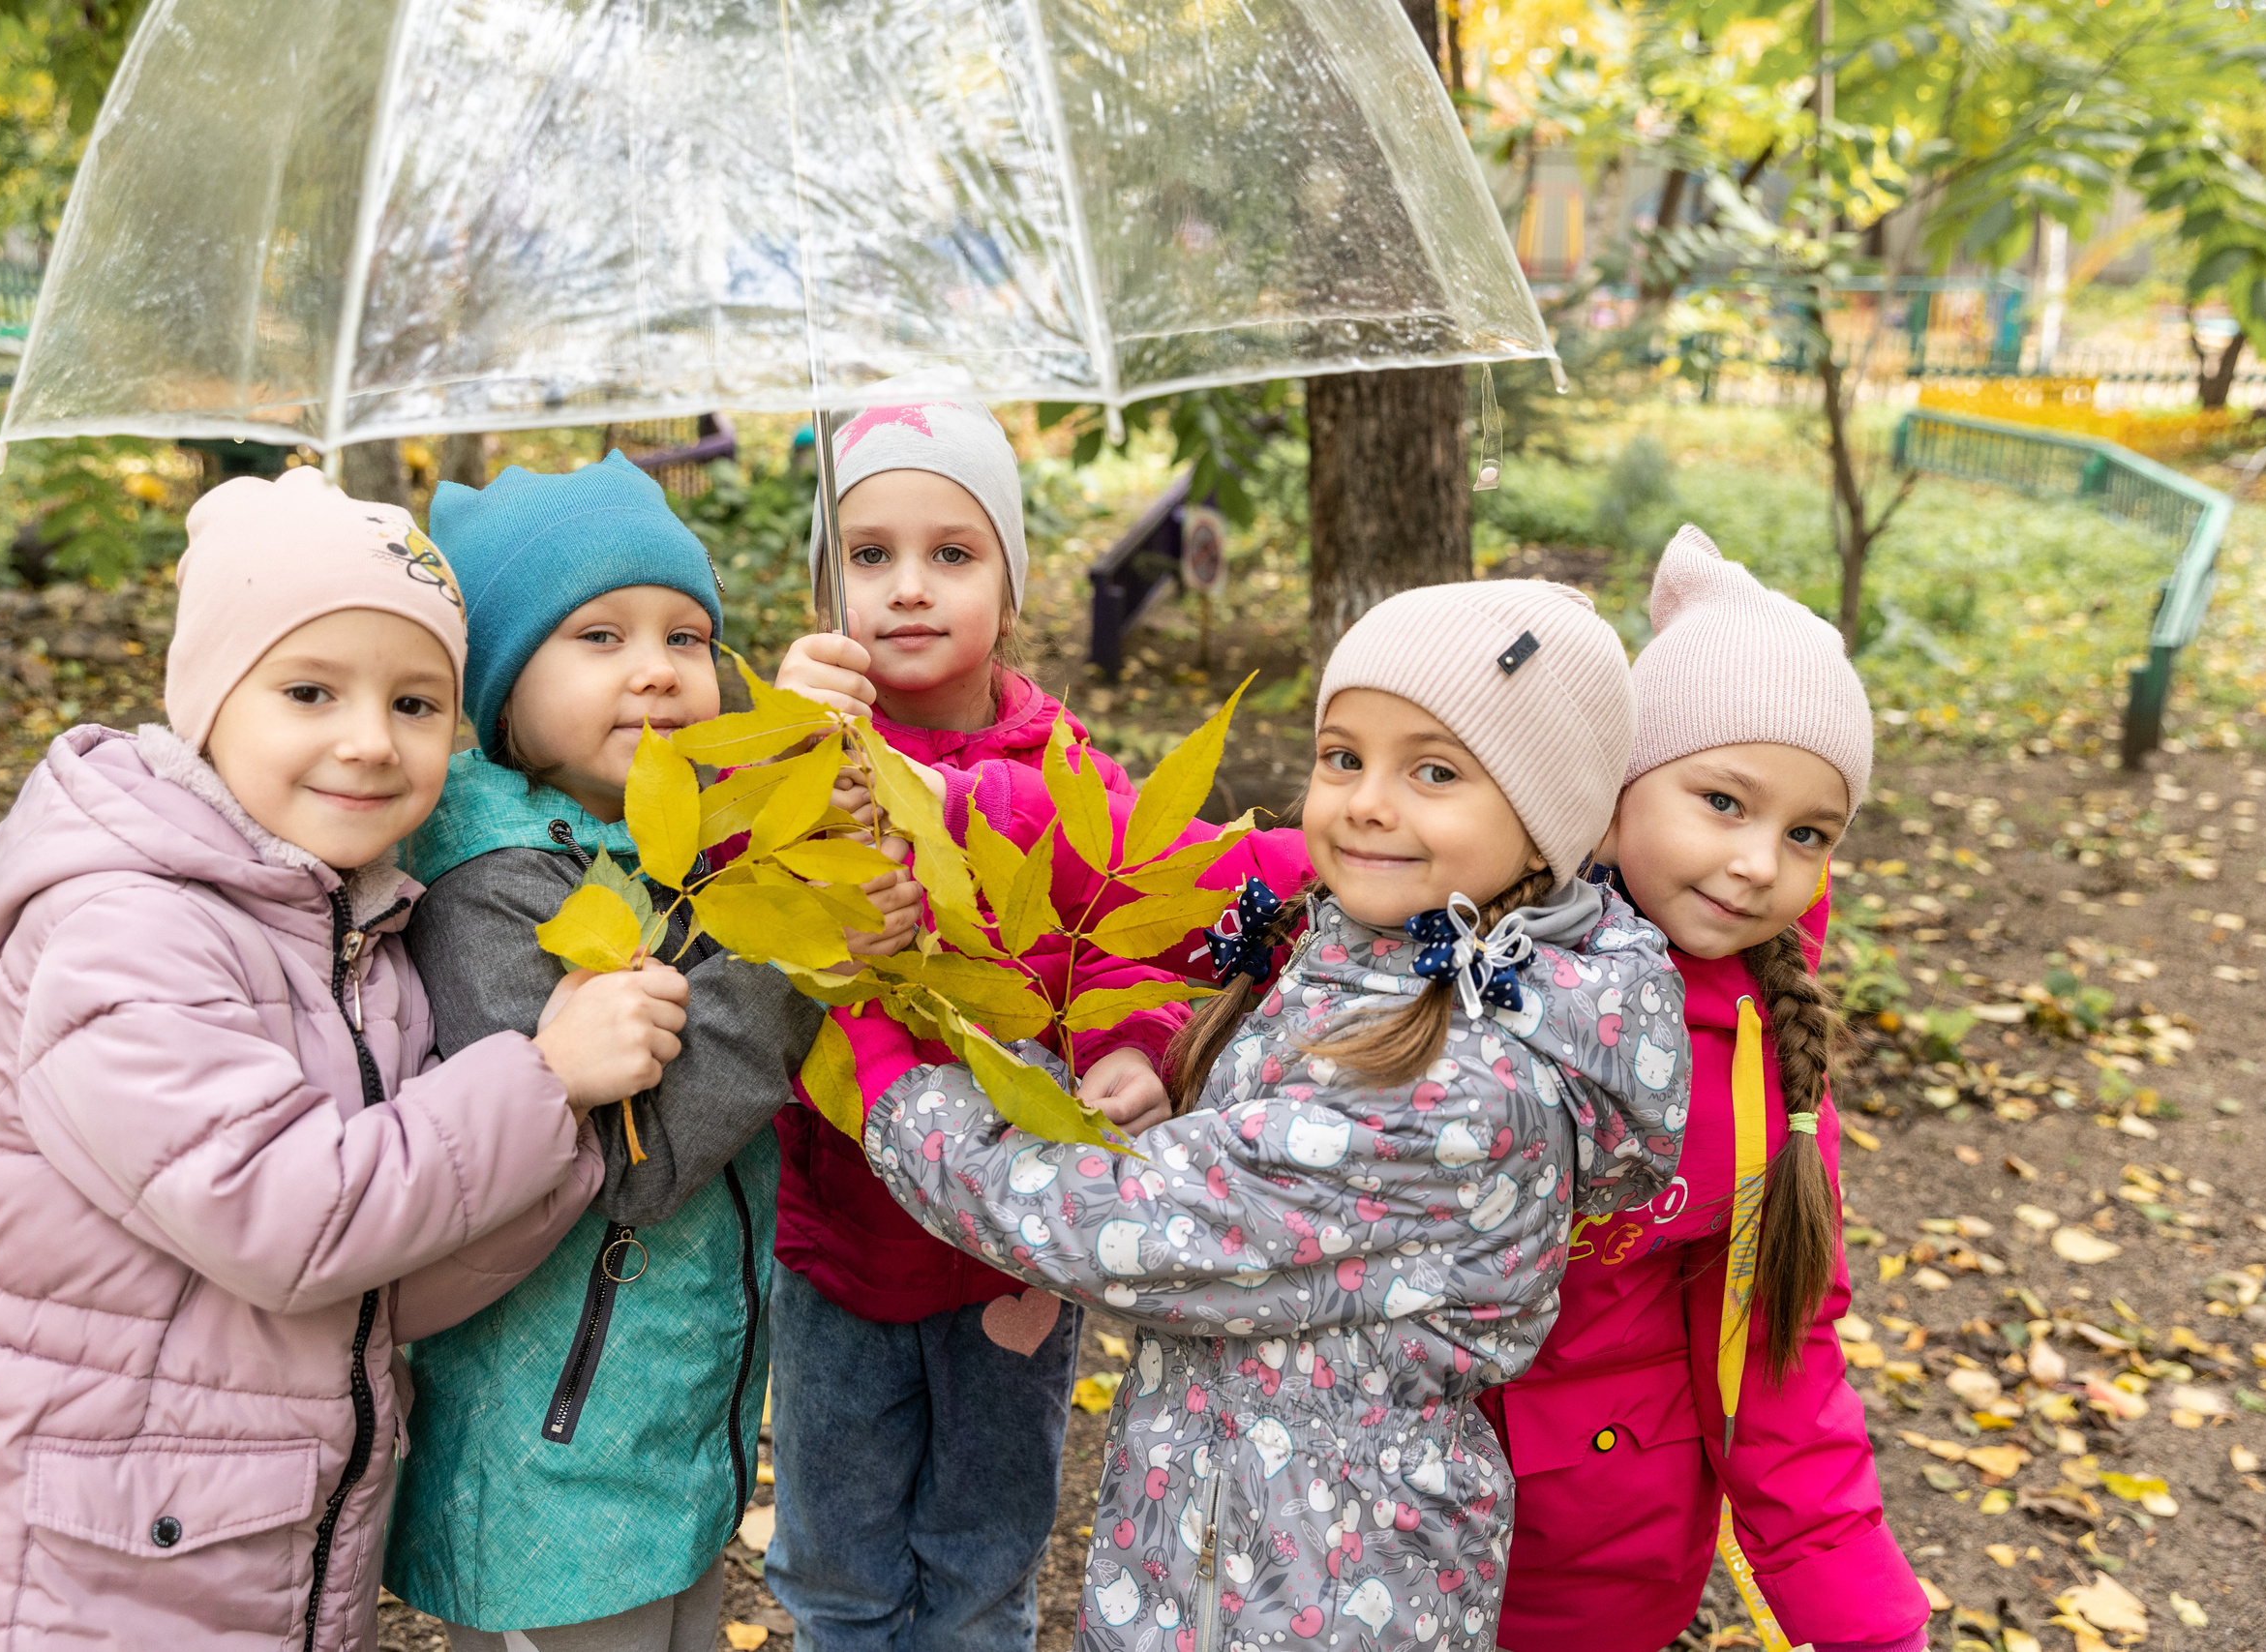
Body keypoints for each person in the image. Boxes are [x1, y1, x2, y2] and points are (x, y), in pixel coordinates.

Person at [0, 467, 681, 1651]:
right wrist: (541, 1078)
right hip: (74, 1580)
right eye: (310, 689)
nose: (367, 741)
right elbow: (289, 1222)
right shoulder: (124, 931)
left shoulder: (354, 935)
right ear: (208, 701)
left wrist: (560, 1145)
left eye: (415, 704)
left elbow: (391, 1283)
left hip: (251, 1559)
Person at [820, 579, 1692, 1651]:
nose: (1369, 800)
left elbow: (1104, 1221)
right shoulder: (1367, 954)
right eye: (1342, 756)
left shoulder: (1460, 1092)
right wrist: (1151, 1062)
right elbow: (1196, 937)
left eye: (1433, 770)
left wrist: (873, 1045)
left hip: (1315, 1603)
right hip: (1220, 1549)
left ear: (1549, 818)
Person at [381, 452, 917, 1652]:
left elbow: (738, 972)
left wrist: (815, 842)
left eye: (686, 636)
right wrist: (794, 948)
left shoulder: (666, 846)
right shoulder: (490, 894)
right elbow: (632, 1158)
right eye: (599, 636)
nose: (657, 670)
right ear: (502, 690)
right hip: (549, 1466)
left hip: (668, 1429)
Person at [766, 394, 1173, 1651]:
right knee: (839, 1549)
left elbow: (1120, 927)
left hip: (1009, 1253)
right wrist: (783, 753)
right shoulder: (805, 747)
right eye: (869, 555)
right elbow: (735, 892)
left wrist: (1128, 1048)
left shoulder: (1062, 765)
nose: (907, 587)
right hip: (843, 1235)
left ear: (1010, 581)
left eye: (953, 552)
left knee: (986, 1547)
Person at [1488, 526, 1926, 1652]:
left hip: (1592, 1558)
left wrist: (1864, 1626)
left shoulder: (1761, 1067)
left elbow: (1780, 1355)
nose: (1756, 863)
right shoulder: (1465, 922)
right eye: (1723, 802)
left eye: (1806, 832)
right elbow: (1253, 879)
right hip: (1353, 1509)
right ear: (1619, 782)